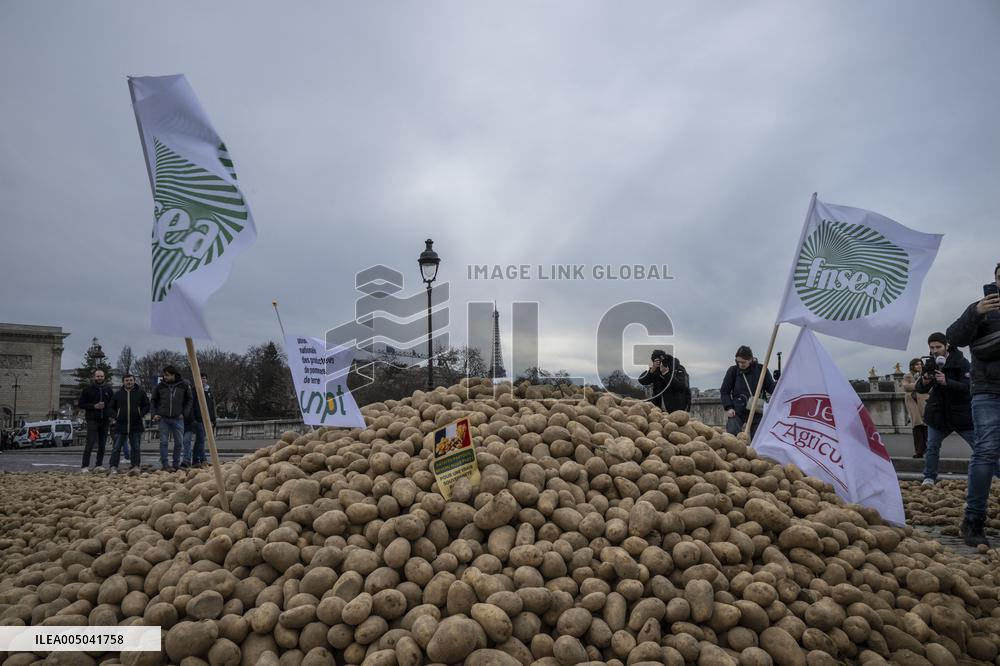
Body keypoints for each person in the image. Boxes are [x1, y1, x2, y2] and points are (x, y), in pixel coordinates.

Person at [947, 262, 1000, 546]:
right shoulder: (982, 308)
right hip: (988, 391)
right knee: (986, 452)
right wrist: (975, 312)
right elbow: (953, 337)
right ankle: (973, 518)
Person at [916, 332, 975, 487]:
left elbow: (969, 387)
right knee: (932, 447)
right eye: (931, 347)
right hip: (938, 414)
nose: (934, 350)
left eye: (938, 347)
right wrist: (924, 381)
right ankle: (929, 477)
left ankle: (995, 476)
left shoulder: (962, 362)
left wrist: (947, 382)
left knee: (980, 447)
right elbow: (920, 389)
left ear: (947, 346)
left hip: (961, 414)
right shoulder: (930, 363)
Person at [721, 345, 776, 438]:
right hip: (737, 410)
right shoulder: (733, 371)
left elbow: (771, 387)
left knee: (758, 438)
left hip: (757, 410)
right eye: (738, 362)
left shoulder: (761, 370)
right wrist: (729, 407)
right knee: (731, 436)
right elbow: (724, 391)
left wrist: (780, 385)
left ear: (750, 360)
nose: (740, 364)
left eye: (743, 362)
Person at [150, 365, 192, 471]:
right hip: (163, 418)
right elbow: (153, 401)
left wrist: (184, 413)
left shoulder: (184, 385)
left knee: (179, 443)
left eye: (167, 375)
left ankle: (176, 464)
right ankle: (165, 464)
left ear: (173, 375)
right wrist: (154, 414)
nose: (165, 377)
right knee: (163, 442)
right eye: (164, 375)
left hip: (178, 418)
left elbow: (189, 400)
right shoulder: (160, 386)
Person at [108, 374, 150, 474]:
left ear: (134, 381)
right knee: (116, 447)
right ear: (123, 382)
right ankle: (113, 466)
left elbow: (147, 405)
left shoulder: (141, 393)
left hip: (136, 424)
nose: (129, 382)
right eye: (127, 380)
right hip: (121, 424)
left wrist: (141, 414)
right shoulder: (117, 394)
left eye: (131, 380)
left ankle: (135, 465)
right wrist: (116, 415)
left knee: (136, 447)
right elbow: (110, 407)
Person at [77, 369, 115, 472]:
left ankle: (99, 464)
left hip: (105, 419)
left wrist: (110, 413)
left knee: (102, 444)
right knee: (90, 442)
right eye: (98, 376)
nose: (100, 378)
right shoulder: (88, 389)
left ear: (104, 377)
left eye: (101, 376)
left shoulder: (108, 389)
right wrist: (94, 406)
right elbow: (81, 404)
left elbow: (113, 403)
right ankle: (85, 466)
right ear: (94, 377)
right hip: (92, 419)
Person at [187, 373, 217, 468]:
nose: (203, 380)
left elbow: (211, 406)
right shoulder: (194, 391)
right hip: (198, 419)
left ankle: (195, 460)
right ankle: (203, 459)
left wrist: (213, 419)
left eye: (204, 378)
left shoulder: (208, 391)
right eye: (201, 378)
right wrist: (193, 419)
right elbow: (191, 406)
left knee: (199, 441)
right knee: (201, 440)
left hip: (207, 420)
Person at [901, 358, 930, 458]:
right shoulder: (907, 376)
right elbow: (905, 387)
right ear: (912, 366)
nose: (919, 366)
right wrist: (919, 385)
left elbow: (929, 387)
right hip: (912, 402)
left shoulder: (926, 374)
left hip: (924, 401)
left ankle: (928, 449)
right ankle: (919, 451)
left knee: (926, 426)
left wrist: (915, 385)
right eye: (917, 364)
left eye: (920, 364)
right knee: (917, 427)